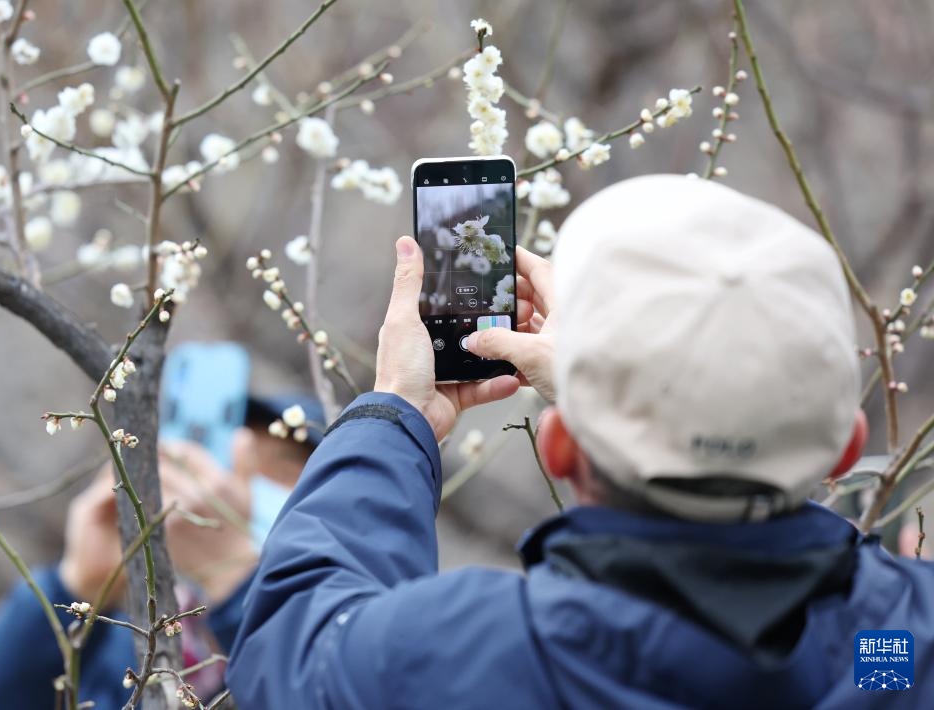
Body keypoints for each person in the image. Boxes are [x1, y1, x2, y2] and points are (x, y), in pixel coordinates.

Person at [225, 175, 933, 709]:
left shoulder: (467, 655)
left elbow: (293, 643)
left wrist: (393, 414)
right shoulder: (899, 647)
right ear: (846, 450)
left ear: (560, 447)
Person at [0, 391, 322, 709]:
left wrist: (239, 585)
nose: (228, 492)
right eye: (227, 464)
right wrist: (74, 590)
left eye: (285, 470)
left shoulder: (352, 629)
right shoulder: (128, 650)